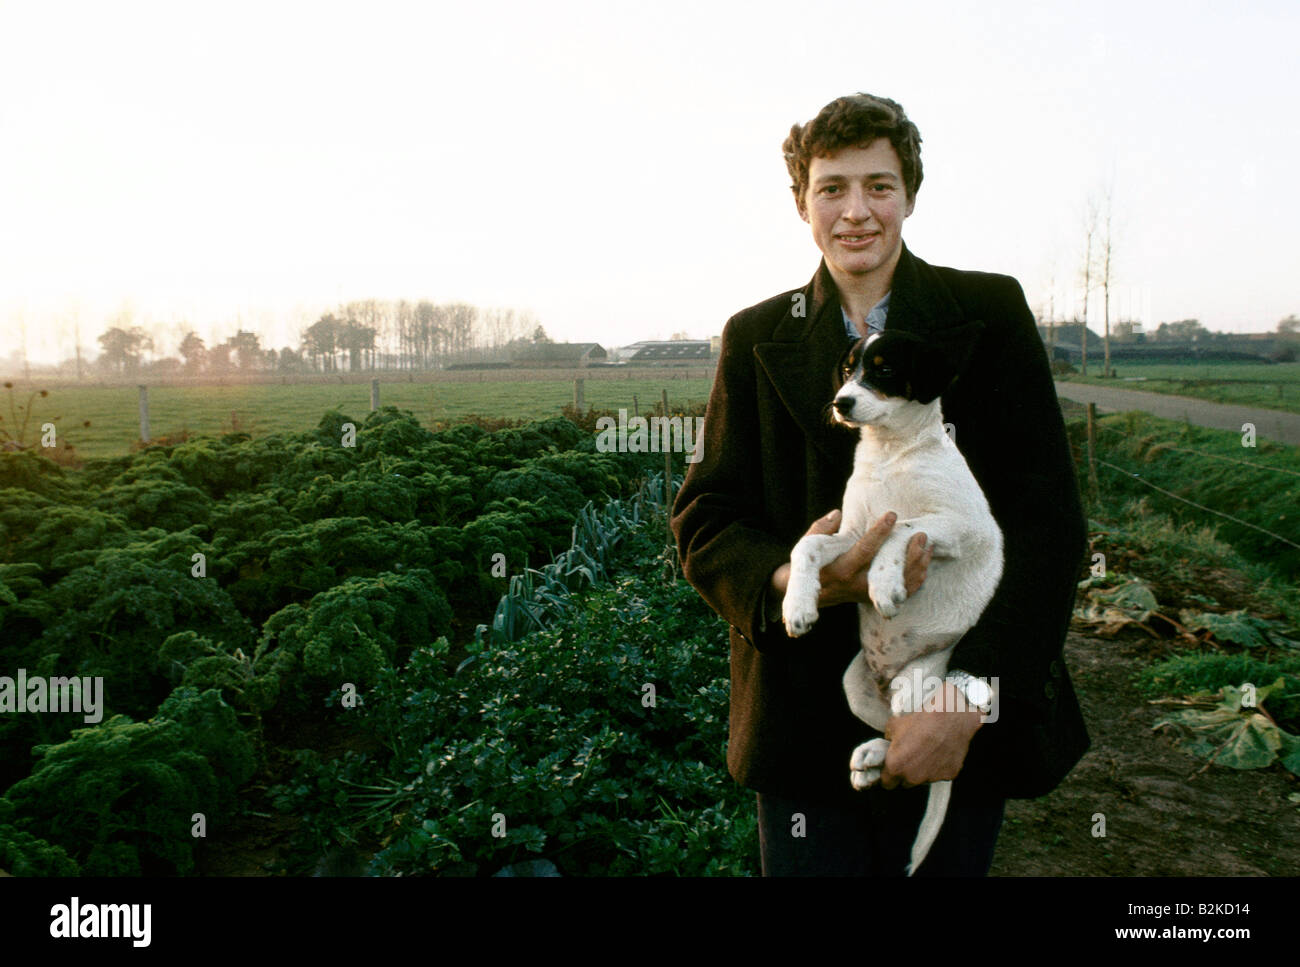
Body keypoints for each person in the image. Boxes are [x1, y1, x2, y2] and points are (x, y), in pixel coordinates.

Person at [670, 93, 1090, 876]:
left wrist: (966, 698)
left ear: (910, 195)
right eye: (832, 188)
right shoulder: (755, 335)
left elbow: (1047, 525)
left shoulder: (989, 314)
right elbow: (707, 516)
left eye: (879, 186)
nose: (856, 211)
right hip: (801, 727)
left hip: (949, 715)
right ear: (802, 202)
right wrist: (804, 578)